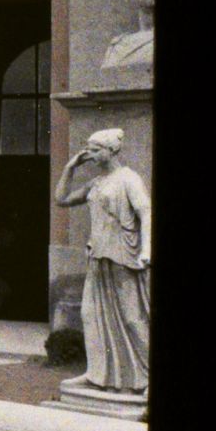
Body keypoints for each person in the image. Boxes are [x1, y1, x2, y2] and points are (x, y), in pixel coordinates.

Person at [53, 128, 149, 394]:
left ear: (112, 150)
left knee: (132, 318)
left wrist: (147, 249)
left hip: (123, 254)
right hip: (98, 254)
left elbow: (146, 212)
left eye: (95, 150)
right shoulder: (96, 183)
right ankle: (97, 374)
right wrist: (70, 168)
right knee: (90, 315)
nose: (91, 155)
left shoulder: (128, 179)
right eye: (89, 150)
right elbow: (61, 199)